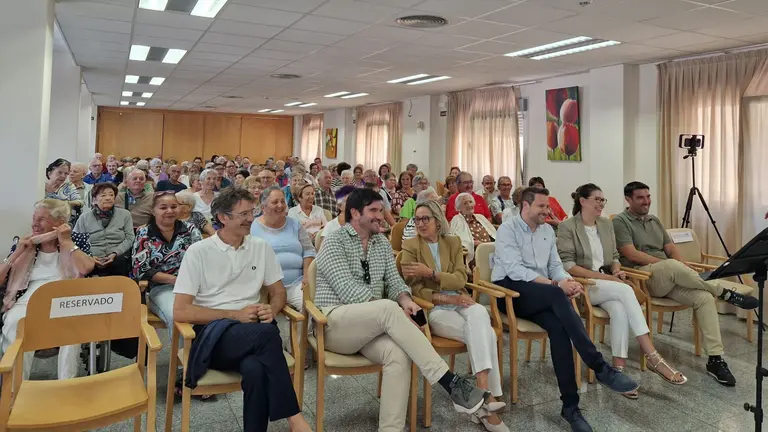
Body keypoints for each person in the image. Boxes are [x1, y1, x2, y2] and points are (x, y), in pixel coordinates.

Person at [315, 188, 491, 432]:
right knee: (387, 308)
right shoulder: (334, 240)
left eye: (381, 209)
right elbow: (348, 291)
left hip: (372, 326)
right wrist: (394, 311)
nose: (381, 215)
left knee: (398, 355)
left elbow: (395, 282)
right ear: (355, 213)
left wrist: (406, 299)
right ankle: (449, 382)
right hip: (334, 325)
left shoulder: (381, 244)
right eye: (374, 210)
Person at [492, 186, 639, 432]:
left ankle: (570, 406)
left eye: (547, 206)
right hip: (509, 291)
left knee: (559, 328)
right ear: (525, 206)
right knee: (554, 293)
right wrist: (556, 284)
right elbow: (515, 270)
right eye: (541, 206)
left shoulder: (548, 231)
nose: (547, 211)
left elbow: (555, 265)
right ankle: (599, 365)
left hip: (542, 294)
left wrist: (567, 281)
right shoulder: (508, 229)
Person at [173, 188, 312, 432]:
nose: (251, 219)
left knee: (255, 369)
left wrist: (272, 308)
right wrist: (233, 314)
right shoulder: (199, 252)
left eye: (252, 212)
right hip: (214, 335)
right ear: (223, 218)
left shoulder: (260, 246)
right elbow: (181, 311)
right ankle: (293, 416)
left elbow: (279, 293)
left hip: (253, 331)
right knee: (268, 334)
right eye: (243, 214)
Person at [613, 181, 757, 386]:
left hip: (670, 276)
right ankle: (722, 290)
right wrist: (671, 265)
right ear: (628, 199)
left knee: (704, 298)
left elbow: (670, 247)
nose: (646, 201)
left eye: (648, 196)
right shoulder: (620, 221)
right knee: (673, 266)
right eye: (640, 198)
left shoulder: (655, 220)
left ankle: (715, 360)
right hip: (644, 278)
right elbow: (631, 254)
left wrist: (681, 268)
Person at [557, 184, 686, 392]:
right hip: (584, 285)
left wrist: (616, 271)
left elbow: (615, 257)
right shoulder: (568, 227)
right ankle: (652, 356)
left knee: (618, 308)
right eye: (597, 200)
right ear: (583, 201)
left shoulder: (606, 224)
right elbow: (568, 266)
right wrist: (607, 278)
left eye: (603, 200)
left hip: (608, 284)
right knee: (626, 290)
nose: (601, 204)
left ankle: (617, 370)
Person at [401, 201, 508, 432]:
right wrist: (447, 297)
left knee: (479, 312)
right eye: (417, 219)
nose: (420, 223)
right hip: (435, 308)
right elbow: (414, 289)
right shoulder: (410, 246)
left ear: (438, 222)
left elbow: (461, 279)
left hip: (462, 300)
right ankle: (489, 402)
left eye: (425, 219)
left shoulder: (453, 242)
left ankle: (480, 394)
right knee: (486, 332)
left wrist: (430, 273)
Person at [1, 199, 94, 380]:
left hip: (65, 298)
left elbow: (87, 267)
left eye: (42, 219)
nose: (35, 223)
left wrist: (66, 242)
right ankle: (14, 389)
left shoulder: (77, 240)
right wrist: (17, 252)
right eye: (34, 218)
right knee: (15, 324)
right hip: (28, 299)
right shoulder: (25, 243)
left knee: (73, 327)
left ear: (60, 223)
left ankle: (67, 387)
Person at [251, 187, 315, 312]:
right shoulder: (252, 227)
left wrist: (306, 275)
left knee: (312, 309)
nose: (280, 205)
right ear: (263, 207)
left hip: (298, 282)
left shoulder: (295, 224)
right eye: (275, 202)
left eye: (282, 201)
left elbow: (309, 250)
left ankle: (305, 332)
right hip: (268, 287)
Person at [74, 182, 135, 276]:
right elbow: (76, 241)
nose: (108, 198)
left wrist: (115, 253)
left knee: (121, 264)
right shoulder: (84, 217)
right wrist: (90, 256)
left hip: (118, 258)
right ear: (94, 200)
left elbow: (130, 238)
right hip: (91, 259)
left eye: (111, 195)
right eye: (103, 195)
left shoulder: (125, 214)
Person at [451, 192, 497, 263]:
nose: (469, 205)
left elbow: (493, 233)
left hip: (491, 249)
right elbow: (455, 239)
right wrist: (473, 243)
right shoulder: (457, 219)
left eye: (470, 202)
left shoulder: (480, 217)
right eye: (465, 203)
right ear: (459, 208)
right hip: (476, 253)